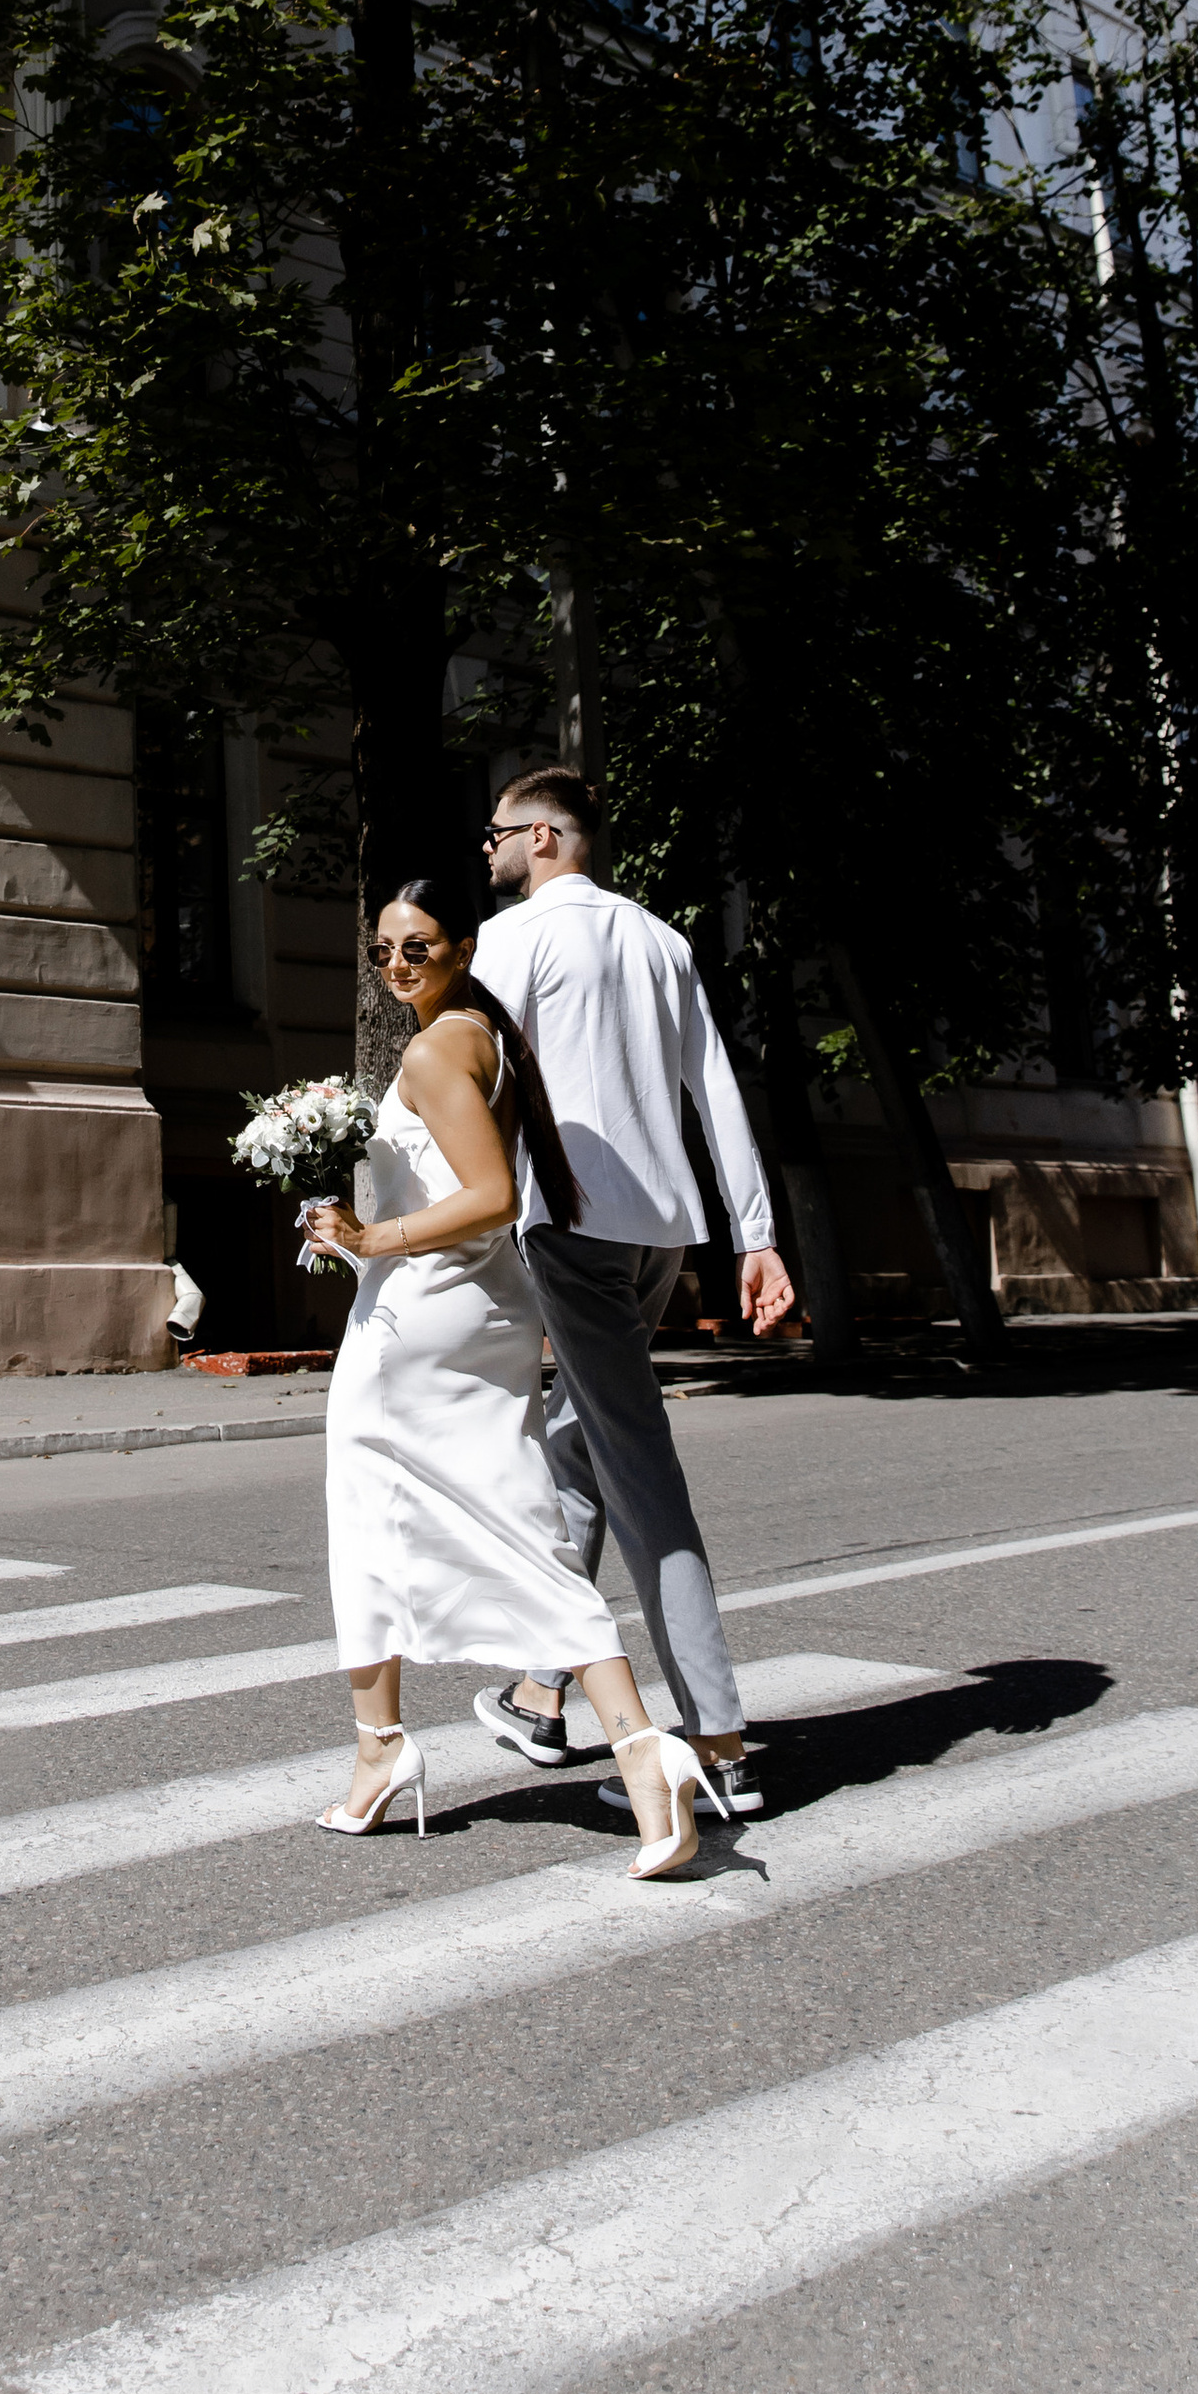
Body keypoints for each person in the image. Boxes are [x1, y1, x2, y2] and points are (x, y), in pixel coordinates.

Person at [301, 870, 726, 1878]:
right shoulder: (488, 1038)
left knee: (365, 1517)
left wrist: (374, 1236)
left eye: (420, 946)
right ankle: (638, 1751)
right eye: (383, 951)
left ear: (462, 949)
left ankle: (380, 1748)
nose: (399, 965)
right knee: (518, 1522)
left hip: (417, 1325)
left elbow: (487, 1195)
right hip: (485, 1311)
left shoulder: (435, 1048)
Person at [469, 764, 796, 1813]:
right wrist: (755, 1234)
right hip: (660, 1235)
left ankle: (719, 1743)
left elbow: (474, 1083)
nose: (489, 848)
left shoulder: (512, 939)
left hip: (570, 1230)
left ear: (548, 839)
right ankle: (538, 1685)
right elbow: (715, 1088)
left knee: (639, 1471)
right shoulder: (662, 939)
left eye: (500, 832)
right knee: (583, 1442)